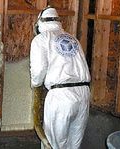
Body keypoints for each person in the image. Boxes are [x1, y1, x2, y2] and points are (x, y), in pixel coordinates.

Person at [30, 6, 91, 149]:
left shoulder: (41, 39)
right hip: (83, 94)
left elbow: (38, 70)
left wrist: (35, 85)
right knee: (74, 145)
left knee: (53, 144)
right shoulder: (73, 39)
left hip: (61, 96)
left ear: (40, 23)